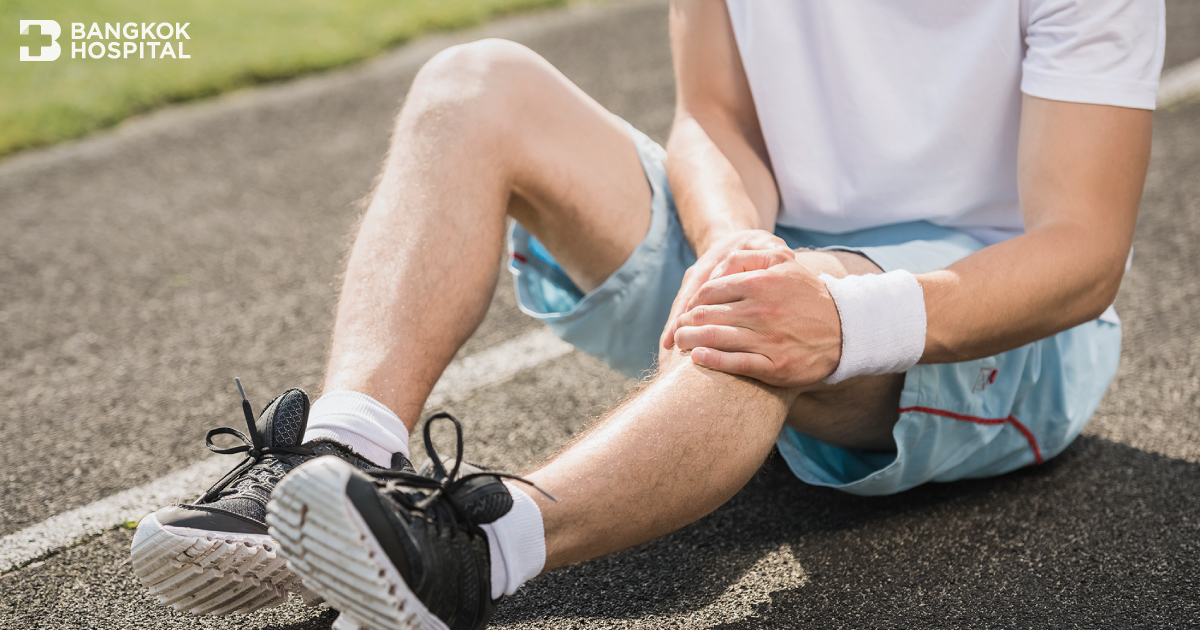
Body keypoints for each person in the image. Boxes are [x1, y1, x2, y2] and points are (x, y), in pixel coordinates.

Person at [130, 0, 1165, 628]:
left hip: (986, 327)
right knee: (474, 81)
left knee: (776, 307)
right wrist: (729, 243)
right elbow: (711, 116)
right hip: (776, 244)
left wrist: (840, 321)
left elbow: (1080, 256)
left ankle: (474, 554)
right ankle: (336, 459)